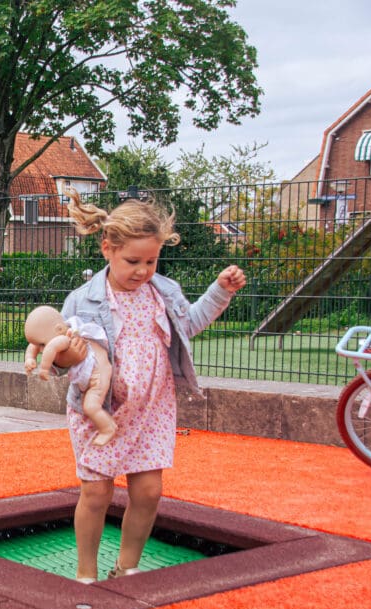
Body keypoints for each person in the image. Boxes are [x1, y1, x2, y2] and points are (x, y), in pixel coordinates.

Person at [61, 188, 246, 583]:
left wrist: (220, 291)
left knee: (148, 492)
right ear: (107, 249)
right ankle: (86, 573)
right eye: (133, 261)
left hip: (153, 409)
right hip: (102, 409)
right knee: (97, 493)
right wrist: (71, 358)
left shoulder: (164, 292)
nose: (144, 270)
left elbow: (190, 323)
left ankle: (127, 568)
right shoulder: (83, 300)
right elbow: (64, 360)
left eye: (152, 259)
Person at [23, 305, 116, 446]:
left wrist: (44, 368)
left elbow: (50, 348)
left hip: (98, 376)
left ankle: (108, 428)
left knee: (90, 406)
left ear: (59, 329)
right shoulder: (58, 332)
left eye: (42, 344)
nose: (41, 349)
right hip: (92, 377)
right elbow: (33, 345)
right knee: (88, 407)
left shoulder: (66, 337)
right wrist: (30, 358)